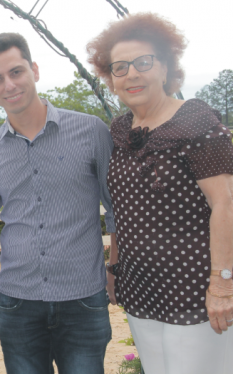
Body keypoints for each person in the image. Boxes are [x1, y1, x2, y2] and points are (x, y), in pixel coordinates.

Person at [86, 13, 233, 374]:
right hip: (141, 286)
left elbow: (225, 203)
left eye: (143, 62)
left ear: (166, 69)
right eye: (120, 67)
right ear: (110, 79)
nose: (132, 74)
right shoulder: (119, 131)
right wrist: (115, 268)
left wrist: (222, 284)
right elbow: (121, 208)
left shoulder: (196, 122)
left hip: (195, 287)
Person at [0, 33, 115, 374]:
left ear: (34, 70)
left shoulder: (91, 131)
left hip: (83, 297)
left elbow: (116, 208)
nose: (9, 85)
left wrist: (114, 269)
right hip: (17, 302)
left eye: (16, 72)